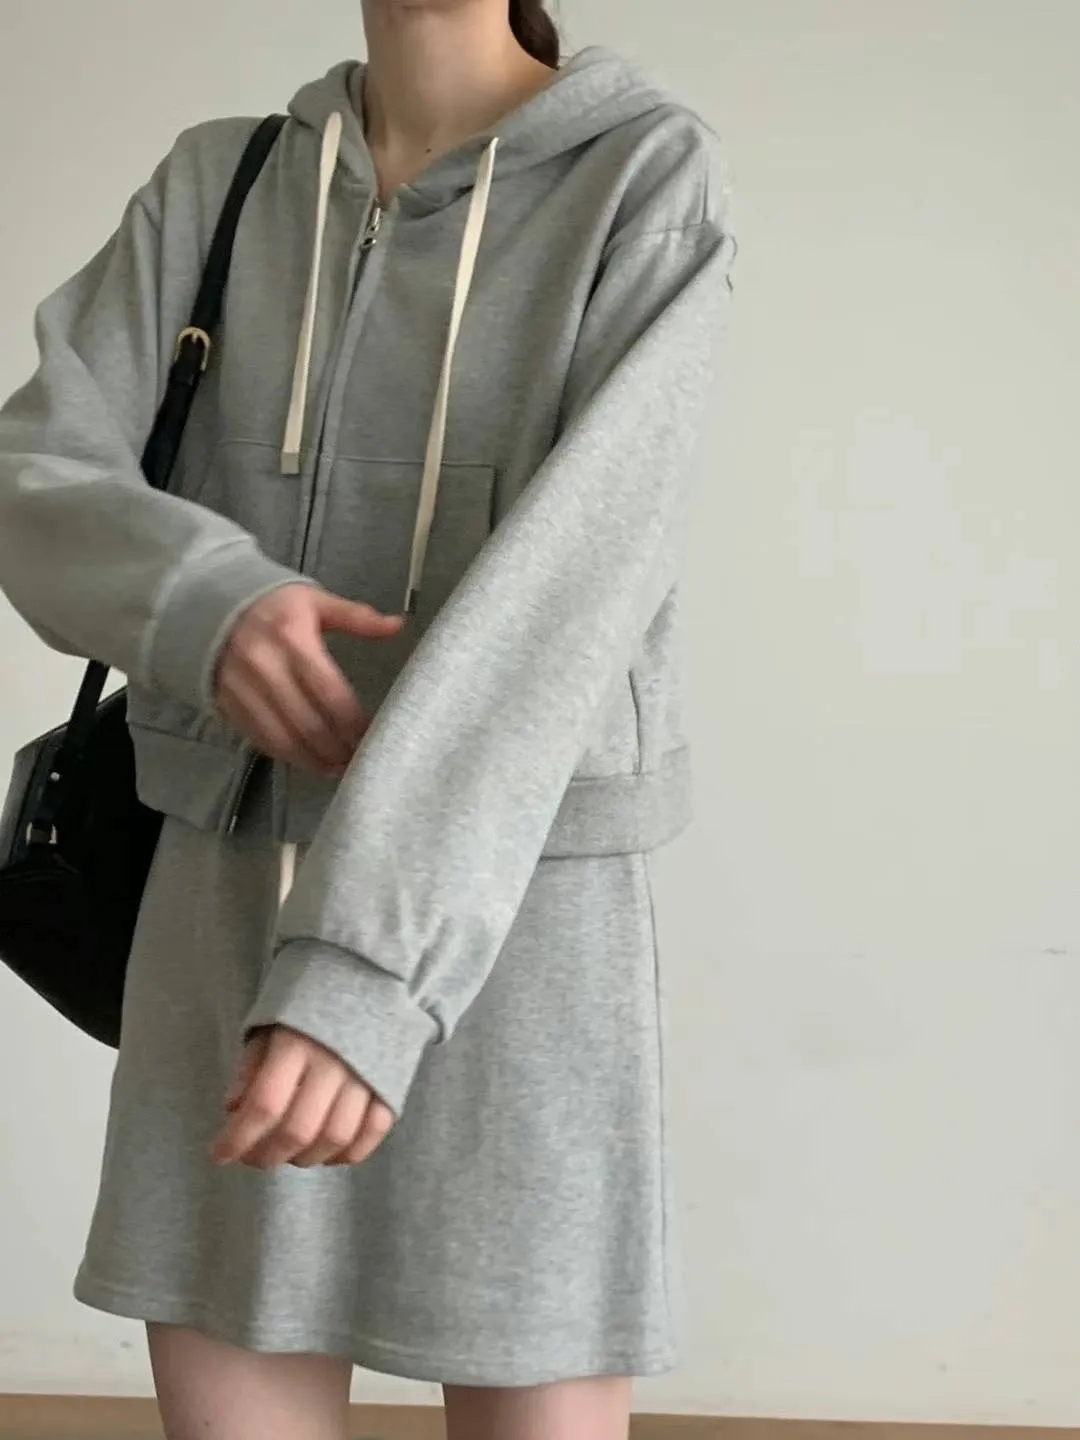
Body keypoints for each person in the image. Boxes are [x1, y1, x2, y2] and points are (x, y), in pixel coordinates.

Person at [0, 1, 735, 1436]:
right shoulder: (222, 182)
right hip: (225, 886)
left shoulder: (641, 172)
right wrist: (200, 600)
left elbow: (575, 593)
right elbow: (35, 475)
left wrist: (363, 975)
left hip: (517, 910)